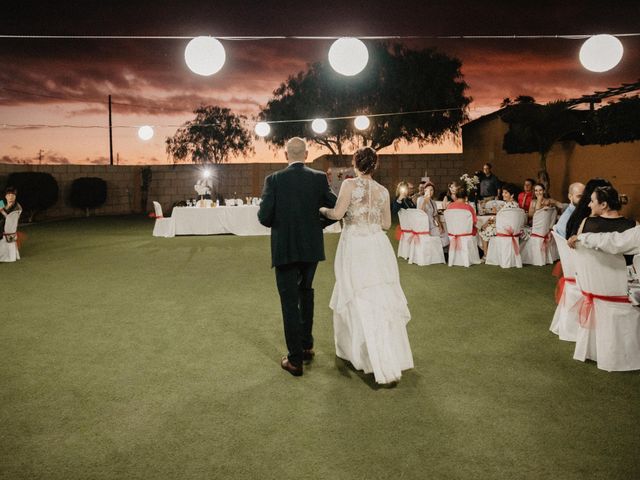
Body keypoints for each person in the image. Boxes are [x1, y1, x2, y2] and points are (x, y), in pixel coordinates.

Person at [320, 147, 413, 385]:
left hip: (355, 244)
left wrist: (322, 209)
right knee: (379, 296)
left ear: (355, 163)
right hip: (377, 245)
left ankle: (360, 354)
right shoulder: (382, 191)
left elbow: (337, 213)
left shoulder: (349, 185)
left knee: (356, 293)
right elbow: (385, 224)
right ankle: (386, 355)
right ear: (375, 166)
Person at [257, 137, 337, 377]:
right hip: (311, 248)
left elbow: (264, 217)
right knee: (306, 292)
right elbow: (334, 211)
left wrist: (282, 221)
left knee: (290, 302)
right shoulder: (319, 179)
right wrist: (316, 225)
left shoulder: (274, 180)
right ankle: (306, 345)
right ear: (307, 153)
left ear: (285, 155)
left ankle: (295, 360)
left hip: (285, 249)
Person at [567, 185, 636, 264]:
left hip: (590, 275)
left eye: (592, 201)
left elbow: (579, 255)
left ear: (603, 205)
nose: (589, 205)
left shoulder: (587, 222)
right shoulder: (634, 225)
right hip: (625, 275)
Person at [478, 183, 521, 253]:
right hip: (513, 228)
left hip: (503, 229)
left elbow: (496, 218)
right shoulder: (516, 204)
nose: (503, 194)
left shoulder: (507, 207)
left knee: (483, 230)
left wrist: (487, 223)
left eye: (506, 193)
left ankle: (485, 254)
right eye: (503, 192)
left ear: (512, 195)